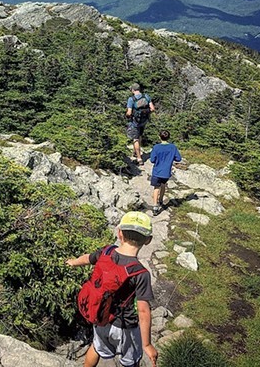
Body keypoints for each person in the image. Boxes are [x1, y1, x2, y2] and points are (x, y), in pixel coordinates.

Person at [66, 211, 158, 367]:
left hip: (101, 316)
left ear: (120, 233)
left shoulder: (106, 252)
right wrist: (147, 344)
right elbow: (143, 311)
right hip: (125, 325)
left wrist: (73, 262)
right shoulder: (140, 273)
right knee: (131, 360)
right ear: (148, 240)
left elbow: (88, 258)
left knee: (96, 347)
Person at [149, 130, 182, 215]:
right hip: (166, 172)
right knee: (163, 185)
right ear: (169, 137)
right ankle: (161, 200)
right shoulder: (173, 147)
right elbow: (178, 158)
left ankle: (155, 206)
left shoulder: (156, 147)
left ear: (159, 137)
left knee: (156, 188)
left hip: (157, 171)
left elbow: (152, 160)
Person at [126, 83, 155, 167]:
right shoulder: (146, 96)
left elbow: (129, 112)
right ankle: (136, 152)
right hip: (144, 120)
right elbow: (152, 109)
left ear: (133, 90)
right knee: (140, 135)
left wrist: (127, 115)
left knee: (135, 139)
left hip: (135, 122)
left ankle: (139, 158)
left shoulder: (131, 99)